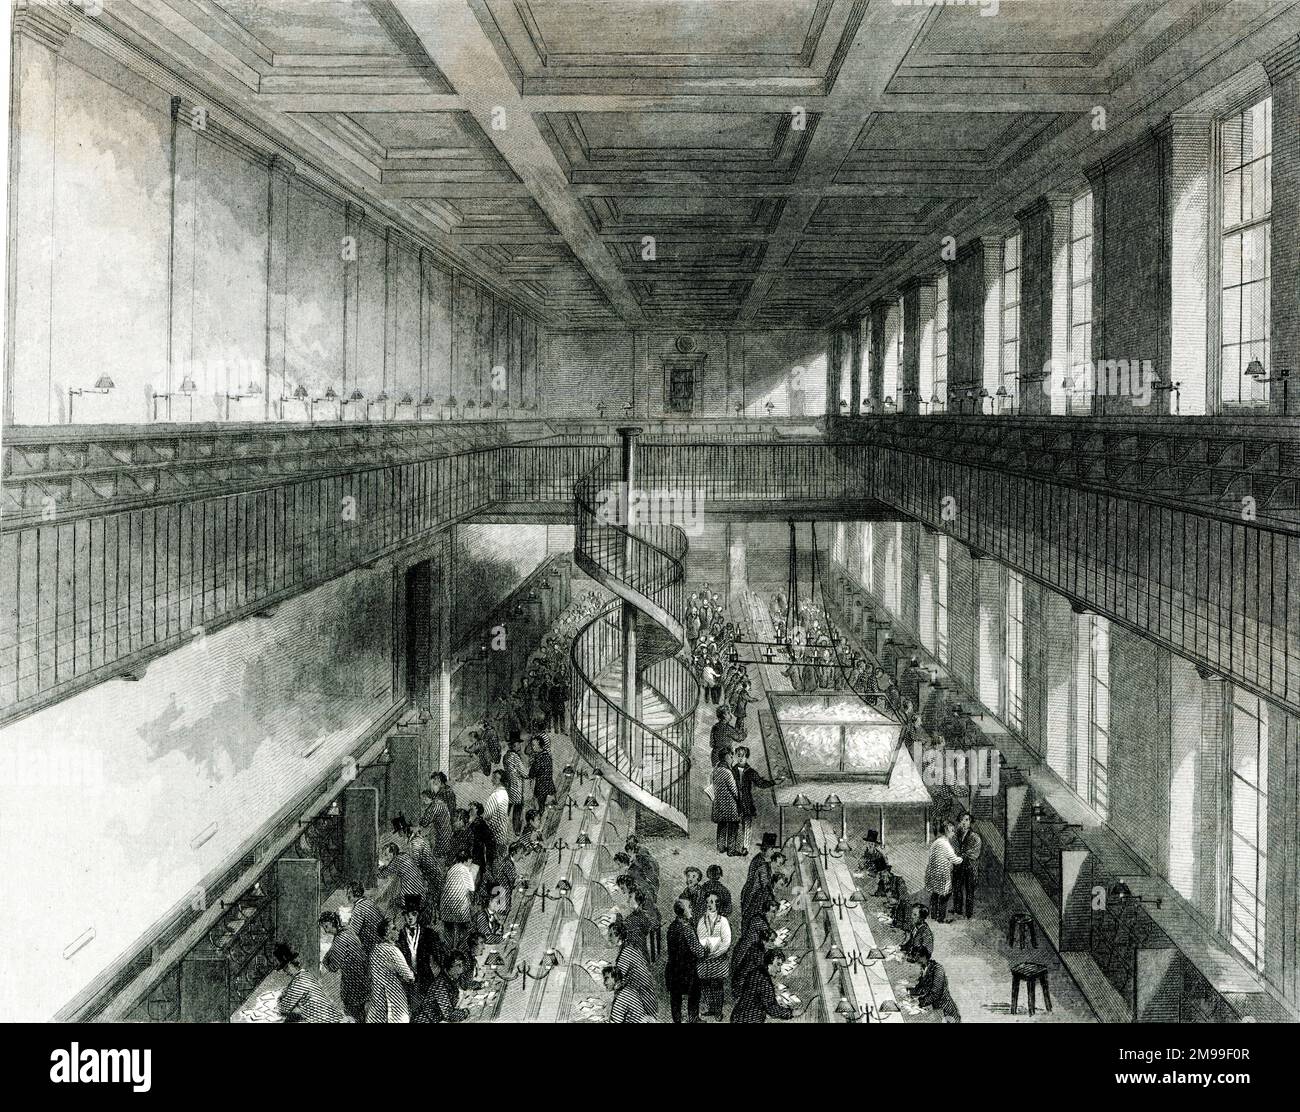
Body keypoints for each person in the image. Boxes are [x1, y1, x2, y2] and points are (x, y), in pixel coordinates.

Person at [274, 943, 343, 1023]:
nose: (285, 972)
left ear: (290, 964)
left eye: (284, 968)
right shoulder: (306, 975)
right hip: (332, 1018)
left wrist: (280, 998)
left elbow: (284, 1008)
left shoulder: (299, 982)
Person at [320, 911, 368, 1023]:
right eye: (323, 927)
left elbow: (333, 966)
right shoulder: (348, 931)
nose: (325, 930)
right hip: (363, 981)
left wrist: (325, 961)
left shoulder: (340, 939)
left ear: (333, 923)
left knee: (354, 1016)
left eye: (326, 926)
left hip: (353, 984)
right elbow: (331, 952)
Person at [365, 917, 416, 1023]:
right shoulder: (392, 951)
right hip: (393, 994)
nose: (397, 931)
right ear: (387, 933)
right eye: (394, 929)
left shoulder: (375, 950)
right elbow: (408, 976)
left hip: (377, 994)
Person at [396, 894, 437, 1012]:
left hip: (425, 978)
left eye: (413, 914)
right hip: (406, 982)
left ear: (418, 915)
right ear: (404, 916)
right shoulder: (398, 936)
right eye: (407, 915)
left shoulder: (429, 934)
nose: (410, 918)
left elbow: (438, 956)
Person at [609, 919, 659, 1017]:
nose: (609, 938)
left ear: (619, 936)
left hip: (644, 998)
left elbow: (617, 980)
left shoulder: (625, 954)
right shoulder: (628, 947)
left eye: (611, 935)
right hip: (644, 993)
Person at [730, 948, 795, 1023]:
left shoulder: (758, 972)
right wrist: (791, 1013)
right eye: (778, 964)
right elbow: (771, 1009)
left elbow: (757, 993)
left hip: (739, 1016)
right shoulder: (764, 980)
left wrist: (772, 992)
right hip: (748, 1019)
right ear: (769, 962)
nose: (779, 970)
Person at [666, 897, 704, 1023]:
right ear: (683, 910)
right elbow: (698, 951)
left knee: (675, 997)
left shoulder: (672, 927)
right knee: (694, 992)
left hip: (673, 969)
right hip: (687, 971)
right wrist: (706, 949)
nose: (692, 909)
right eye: (690, 907)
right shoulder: (687, 928)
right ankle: (693, 1019)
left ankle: (677, 1020)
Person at [732, 751, 777, 854]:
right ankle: (736, 847)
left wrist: (774, 782)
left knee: (747, 826)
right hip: (734, 802)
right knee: (736, 825)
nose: (741, 758)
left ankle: (745, 848)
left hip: (747, 803)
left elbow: (761, 783)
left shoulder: (750, 771)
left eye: (743, 756)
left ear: (747, 757)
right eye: (738, 755)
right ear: (735, 756)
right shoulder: (732, 771)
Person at [696, 891, 732, 1019]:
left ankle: (718, 1011)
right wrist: (706, 950)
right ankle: (711, 1008)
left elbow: (726, 942)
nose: (709, 904)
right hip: (705, 959)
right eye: (707, 902)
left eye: (712, 901)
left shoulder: (723, 921)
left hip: (718, 960)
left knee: (717, 986)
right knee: (705, 985)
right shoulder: (701, 920)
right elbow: (700, 937)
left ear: (718, 903)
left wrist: (715, 953)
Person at [924, 820, 963, 923]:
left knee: (935, 894)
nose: (953, 833)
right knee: (944, 896)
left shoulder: (936, 842)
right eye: (952, 831)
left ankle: (933, 915)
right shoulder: (945, 844)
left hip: (933, 873)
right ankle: (941, 918)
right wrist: (962, 858)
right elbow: (954, 860)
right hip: (942, 874)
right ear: (946, 831)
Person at [908, 947, 961, 1022]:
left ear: (923, 956)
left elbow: (936, 993)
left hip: (945, 1010)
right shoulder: (925, 967)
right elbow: (921, 987)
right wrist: (909, 992)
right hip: (935, 1008)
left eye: (917, 958)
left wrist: (920, 1002)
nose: (916, 961)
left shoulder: (938, 969)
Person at [378, 837, 427, 917]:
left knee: (391, 904)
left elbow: (381, 875)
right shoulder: (404, 856)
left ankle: (391, 922)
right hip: (421, 895)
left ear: (392, 854)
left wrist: (378, 869)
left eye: (386, 855)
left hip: (411, 897)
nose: (384, 857)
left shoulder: (396, 861)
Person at [439, 848, 476, 951]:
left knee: (449, 931)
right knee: (463, 929)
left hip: (446, 905)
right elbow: (471, 888)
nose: (471, 863)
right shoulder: (465, 870)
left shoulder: (451, 869)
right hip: (459, 905)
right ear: (467, 860)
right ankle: (460, 950)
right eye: (470, 861)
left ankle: (449, 951)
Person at [951, 811, 983, 919]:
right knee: (957, 888)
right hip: (958, 866)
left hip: (970, 867)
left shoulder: (975, 837)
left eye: (966, 820)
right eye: (961, 820)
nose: (964, 823)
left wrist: (962, 854)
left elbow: (975, 853)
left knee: (969, 890)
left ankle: (968, 914)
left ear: (970, 822)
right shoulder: (956, 836)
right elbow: (953, 850)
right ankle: (958, 911)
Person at [712, 749, 742, 855]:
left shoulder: (715, 771)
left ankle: (720, 847)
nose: (732, 758)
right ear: (726, 757)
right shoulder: (727, 772)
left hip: (719, 804)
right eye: (730, 756)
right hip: (729, 805)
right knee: (733, 826)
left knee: (722, 825)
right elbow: (734, 790)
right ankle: (731, 850)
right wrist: (740, 800)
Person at [347, 881, 384, 953]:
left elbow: (353, 933)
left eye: (349, 893)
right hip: (380, 945)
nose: (347, 895)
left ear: (355, 893)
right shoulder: (370, 903)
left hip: (370, 949)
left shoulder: (359, 908)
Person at [503, 734, 528, 833]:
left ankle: (501, 827)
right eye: (518, 744)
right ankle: (517, 829)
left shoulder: (506, 756)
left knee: (507, 808)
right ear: (514, 745)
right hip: (516, 786)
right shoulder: (515, 757)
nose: (520, 746)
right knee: (517, 808)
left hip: (508, 785)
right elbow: (524, 773)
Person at [484, 769, 514, 850]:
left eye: (495, 778)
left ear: (501, 781)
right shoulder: (504, 793)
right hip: (502, 828)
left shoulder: (496, 795)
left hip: (494, 829)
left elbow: (487, 815)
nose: (492, 779)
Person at [527, 734, 556, 811]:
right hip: (548, 786)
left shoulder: (539, 758)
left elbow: (532, 774)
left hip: (541, 787)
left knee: (541, 808)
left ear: (539, 746)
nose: (532, 747)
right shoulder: (547, 756)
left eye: (533, 745)